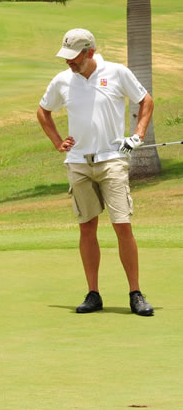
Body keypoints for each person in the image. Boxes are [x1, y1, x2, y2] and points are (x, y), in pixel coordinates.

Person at [36, 28, 154, 316]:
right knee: (87, 228)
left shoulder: (116, 72)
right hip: (78, 163)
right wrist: (57, 141)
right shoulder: (63, 80)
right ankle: (93, 294)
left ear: (89, 52)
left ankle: (135, 293)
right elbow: (43, 110)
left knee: (121, 225)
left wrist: (137, 135)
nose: (68, 62)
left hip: (112, 159)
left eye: (73, 57)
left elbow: (146, 101)